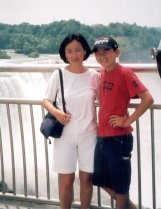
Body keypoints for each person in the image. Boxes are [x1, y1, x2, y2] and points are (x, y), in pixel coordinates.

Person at [92, 37, 154, 209]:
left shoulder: (125, 73)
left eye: (106, 52)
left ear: (117, 52)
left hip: (119, 139)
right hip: (102, 136)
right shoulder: (101, 73)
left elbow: (147, 99)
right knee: (99, 180)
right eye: (98, 53)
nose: (102, 56)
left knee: (120, 189)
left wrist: (126, 121)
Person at [42, 33, 100, 209]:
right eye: (69, 51)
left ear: (85, 51)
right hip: (65, 135)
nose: (74, 55)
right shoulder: (58, 74)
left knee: (86, 179)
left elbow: (106, 98)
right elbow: (46, 100)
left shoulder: (94, 76)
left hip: (89, 135)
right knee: (66, 180)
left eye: (78, 50)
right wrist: (56, 112)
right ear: (64, 53)